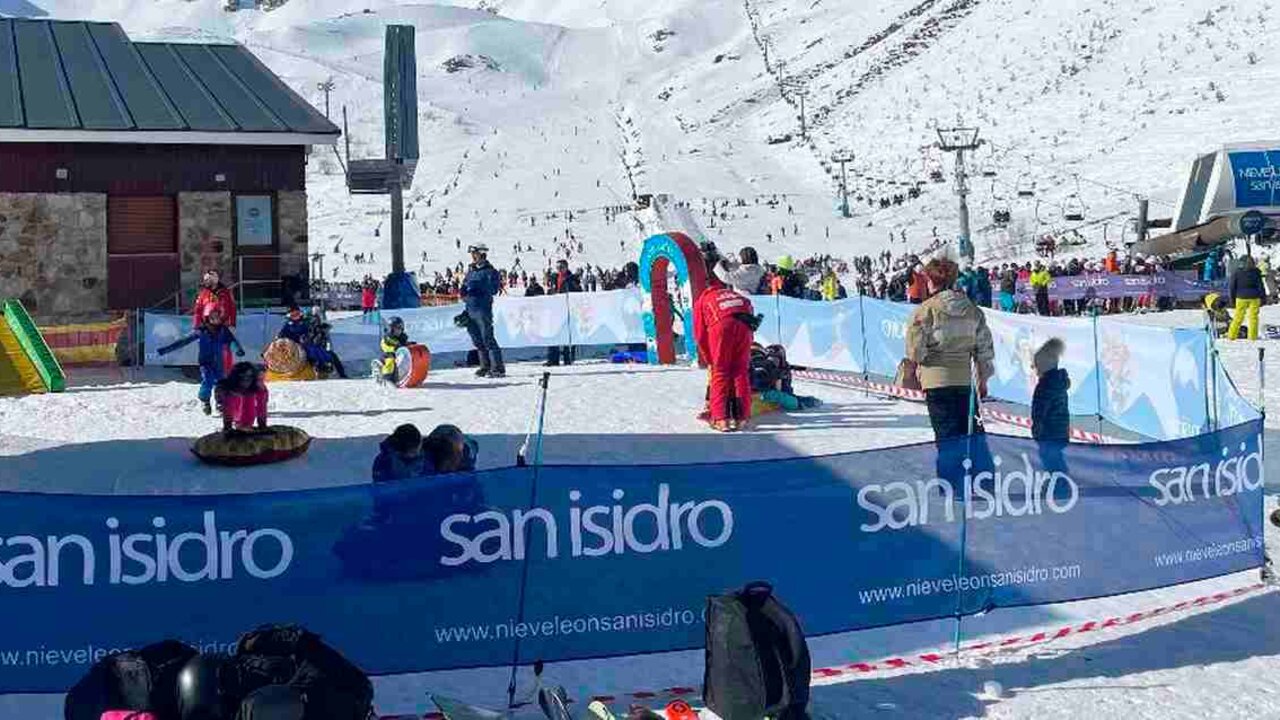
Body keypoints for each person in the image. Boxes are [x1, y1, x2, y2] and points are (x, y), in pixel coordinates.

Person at [903, 258, 995, 440]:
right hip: (965, 383)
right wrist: (983, 379)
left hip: (936, 382)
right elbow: (985, 350)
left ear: (931, 281)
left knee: (947, 442)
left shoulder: (925, 311)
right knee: (972, 441)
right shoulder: (973, 310)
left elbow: (916, 351)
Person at [695, 244, 758, 432]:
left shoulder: (704, 299)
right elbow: (750, 315)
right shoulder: (734, 294)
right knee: (740, 371)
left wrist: (709, 359)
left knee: (720, 372)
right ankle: (742, 417)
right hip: (745, 320)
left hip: (722, 324)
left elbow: (699, 334)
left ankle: (721, 418)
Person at [157, 308, 245, 415]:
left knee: (221, 383)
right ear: (207, 319)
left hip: (219, 362)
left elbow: (232, 341)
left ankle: (220, 403)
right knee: (208, 380)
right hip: (205, 362)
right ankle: (205, 400)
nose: (216, 320)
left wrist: (238, 349)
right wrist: (166, 350)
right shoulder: (200, 331)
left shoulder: (223, 330)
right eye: (213, 318)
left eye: (218, 317)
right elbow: (183, 341)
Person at [461, 244, 505, 378]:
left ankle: (497, 368)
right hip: (470, 309)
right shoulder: (471, 271)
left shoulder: (490, 271)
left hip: (483, 309)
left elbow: (494, 289)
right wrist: (463, 291)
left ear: (482, 254)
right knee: (477, 340)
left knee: (487, 338)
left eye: (475, 254)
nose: (473, 257)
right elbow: (465, 284)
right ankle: (485, 366)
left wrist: (479, 287)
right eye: (472, 254)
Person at [191, 269, 237, 372]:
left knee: (224, 351)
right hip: (207, 327)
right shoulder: (203, 293)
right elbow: (197, 311)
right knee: (207, 351)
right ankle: (210, 374)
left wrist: (232, 324)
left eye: (209, 279)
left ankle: (226, 374)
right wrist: (196, 326)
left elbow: (232, 309)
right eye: (206, 279)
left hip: (223, 326)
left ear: (216, 279)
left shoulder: (226, 292)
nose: (207, 281)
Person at [1030, 338, 1070, 442]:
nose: (1034, 369)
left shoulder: (1044, 387)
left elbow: (1040, 412)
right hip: (1061, 434)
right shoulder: (1060, 383)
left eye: (1036, 365)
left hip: (1047, 436)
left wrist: (1037, 432)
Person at [545, 259, 582, 366]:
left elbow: (578, 293)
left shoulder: (572, 279)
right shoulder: (554, 278)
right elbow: (550, 291)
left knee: (568, 335)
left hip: (568, 310)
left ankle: (568, 358)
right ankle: (552, 359)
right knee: (553, 333)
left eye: (561, 267)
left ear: (566, 267)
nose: (559, 269)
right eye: (558, 267)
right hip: (555, 310)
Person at [215, 361, 269, 434]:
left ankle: (244, 424)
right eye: (244, 378)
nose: (247, 381)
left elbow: (261, 406)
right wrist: (227, 426)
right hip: (229, 396)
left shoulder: (257, 386)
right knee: (235, 399)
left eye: (249, 378)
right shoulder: (229, 386)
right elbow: (228, 408)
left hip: (245, 393)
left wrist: (262, 425)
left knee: (249, 399)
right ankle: (239, 424)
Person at [1227, 255, 1266, 341]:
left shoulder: (1236, 272)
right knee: (1253, 318)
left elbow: (1232, 287)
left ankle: (1231, 336)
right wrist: (1263, 298)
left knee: (1238, 317)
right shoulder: (1256, 272)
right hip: (1254, 297)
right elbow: (1260, 286)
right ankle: (1252, 337)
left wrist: (1232, 300)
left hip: (1240, 297)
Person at [379, 316, 410, 384]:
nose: (398, 331)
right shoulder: (387, 338)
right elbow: (386, 347)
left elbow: (403, 344)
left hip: (398, 353)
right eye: (396, 329)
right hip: (387, 354)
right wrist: (394, 349)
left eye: (400, 329)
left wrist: (409, 345)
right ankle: (387, 377)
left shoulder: (402, 337)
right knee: (390, 361)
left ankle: (406, 374)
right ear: (390, 329)